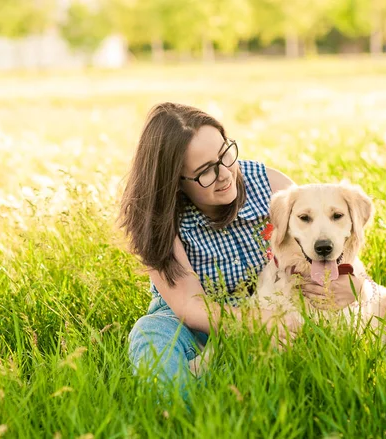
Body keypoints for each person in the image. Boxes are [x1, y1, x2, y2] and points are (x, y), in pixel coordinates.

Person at [118, 102, 363, 386]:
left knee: (273, 361)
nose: (225, 174)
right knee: (150, 335)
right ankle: (178, 410)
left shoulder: (272, 186)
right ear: (175, 182)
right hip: (195, 324)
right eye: (206, 171)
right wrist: (253, 322)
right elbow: (189, 305)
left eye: (225, 155)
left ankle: (238, 394)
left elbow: (326, 242)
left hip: (275, 312)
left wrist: (354, 283)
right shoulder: (159, 219)